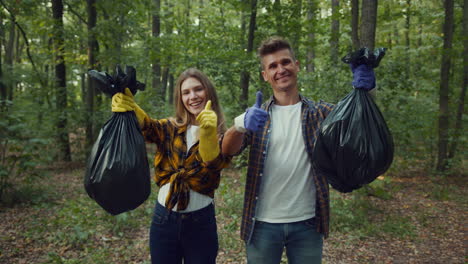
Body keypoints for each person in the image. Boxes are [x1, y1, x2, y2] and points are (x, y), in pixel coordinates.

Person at [221, 37, 376, 264]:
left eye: (285, 62)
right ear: (265, 75)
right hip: (262, 223)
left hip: (308, 224)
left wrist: (365, 91)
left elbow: (358, 125)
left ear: (297, 65)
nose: (280, 69)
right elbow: (227, 150)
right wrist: (240, 125)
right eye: (272, 66)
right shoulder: (257, 116)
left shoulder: (321, 112)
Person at [111, 68, 231, 264]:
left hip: (200, 224)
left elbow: (214, 163)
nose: (193, 96)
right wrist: (130, 106)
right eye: (186, 92)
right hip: (164, 220)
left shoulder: (223, 136)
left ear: (208, 92)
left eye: (198, 89)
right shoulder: (170, 127)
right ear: (180, 98)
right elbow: (148, 127)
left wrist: (208, 135)